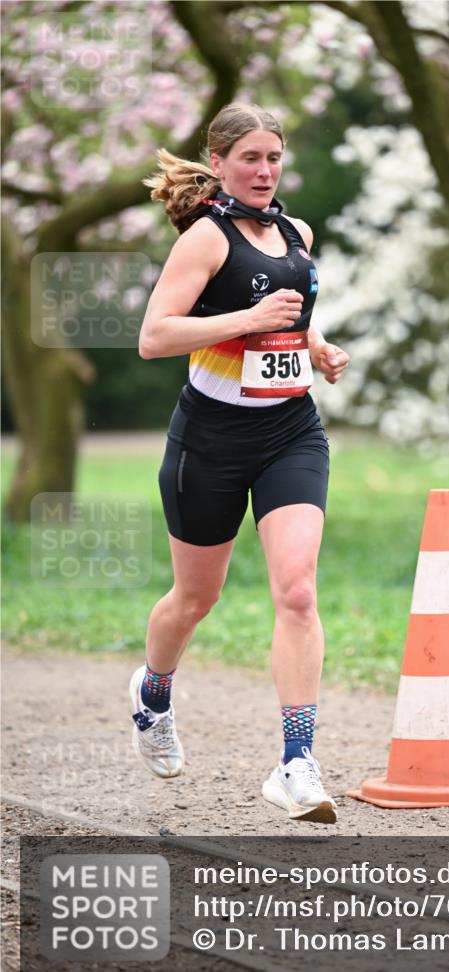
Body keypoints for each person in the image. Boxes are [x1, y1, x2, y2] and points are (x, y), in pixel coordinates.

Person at [131, 103, 349, 825]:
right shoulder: (204, 238)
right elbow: (155, 336)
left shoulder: (296, 233)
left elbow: (288, 316)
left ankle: (295, 763)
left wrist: (314, 346)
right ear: (219, 162)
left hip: (291, 431)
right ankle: (153, 695)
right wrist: (245, 322)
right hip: (210, 442)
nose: (263, 171)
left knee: (297, 592)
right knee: (195, 599)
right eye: (249, 158)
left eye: (274, 158)